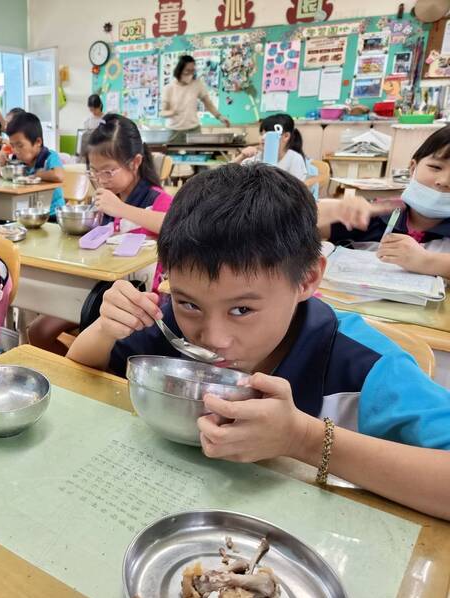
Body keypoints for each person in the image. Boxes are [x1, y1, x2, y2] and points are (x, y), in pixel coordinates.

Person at [67, 162, 450, 520]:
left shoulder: (364, 364)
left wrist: (302, 439)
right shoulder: (172, 322)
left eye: (242, 310)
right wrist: (104, 328)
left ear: (307, 280)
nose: (213, 338)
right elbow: (80, 369)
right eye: (189, 303)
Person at [28, 114, 173, 355]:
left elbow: (173, 224)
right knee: (38, 332)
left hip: (136, 300)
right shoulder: (106, 198)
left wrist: (121, 209)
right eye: (95, 172)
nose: (101, 180)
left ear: (135, 162)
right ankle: (77, 370)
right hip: (95, 287)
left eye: (108, 172)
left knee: (106, 346)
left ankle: (88, 367)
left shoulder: (155, 199)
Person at [319, 125, 450, 278]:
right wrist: (332, 210)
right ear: (413, 168)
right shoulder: (376, 214)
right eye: (435, 167)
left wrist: (427, 261)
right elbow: (297, 224)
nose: (444, 181)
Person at [1, 112, 65, 212]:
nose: (15, 150)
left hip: (52, 213)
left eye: (20, 145)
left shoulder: (49, 156)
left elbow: (58, 175)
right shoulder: (17, 161)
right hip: (27, 212)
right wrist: (2, 164)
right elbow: (1, 176)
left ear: (38, 142)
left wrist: (37, 174)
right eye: (12, 145)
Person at [160, 55, 230, 145]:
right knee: (173, 157)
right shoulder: (169, 88)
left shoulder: (197, 84)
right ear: (179, 70)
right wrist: (173, 112)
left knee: (196, 156)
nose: (190, 74)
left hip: (193, 130)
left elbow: (208, 103)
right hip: (174, 131)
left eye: (192, 71)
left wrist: (220, 117)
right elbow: (162, 112)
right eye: (187, 71)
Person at [233, 113, 308, 181]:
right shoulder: (256, 156)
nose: (262, 138)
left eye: (268, 134)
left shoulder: (294, 159)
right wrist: (241, 157)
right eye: (261, 134)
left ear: (286, 136)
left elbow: (296, 189)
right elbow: (227, 176)